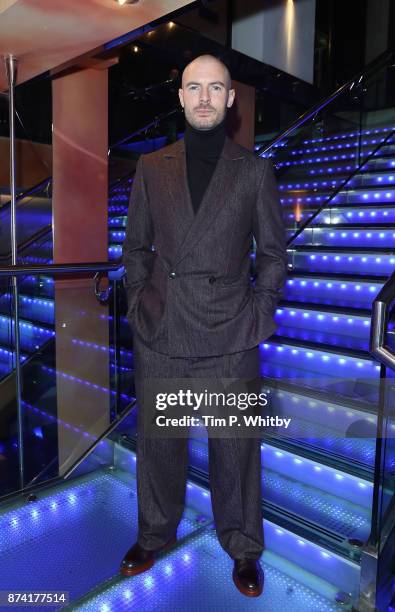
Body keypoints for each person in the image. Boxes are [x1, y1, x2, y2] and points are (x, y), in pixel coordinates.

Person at [120, 54, 287, 597]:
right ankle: (154, 533)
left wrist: (257, 319)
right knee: (159, 443)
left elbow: (273, 256)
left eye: (216, 88)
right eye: (195, 87)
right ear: (181, 96)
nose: (205, 97)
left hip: (228, 333)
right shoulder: (152, 167)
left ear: (231, 99)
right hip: (164, 329)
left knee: (235, 448)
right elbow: (136, 248)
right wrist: (140, 303)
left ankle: (242, 546)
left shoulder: (254, 170)